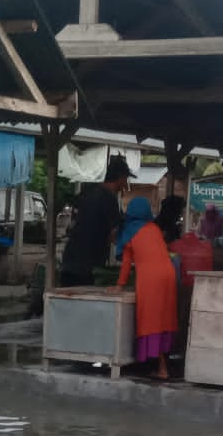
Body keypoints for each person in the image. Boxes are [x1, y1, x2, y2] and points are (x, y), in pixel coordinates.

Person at [111, 197, 179, 380]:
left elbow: (126, 263)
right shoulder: (155, 229)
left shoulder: (129, 232)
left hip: (151, 278)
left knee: (150, 318)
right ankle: (163, 364)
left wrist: (119, 285)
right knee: (163, 317)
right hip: (169, 274)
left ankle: (161, 368)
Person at [59, 156, 130, 287]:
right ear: (120, 177)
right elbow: (115, 234)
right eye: (126, 179)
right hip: (87, 267)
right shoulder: (109, 198)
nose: (126, 184)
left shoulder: (89, 191)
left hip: (70, 260)